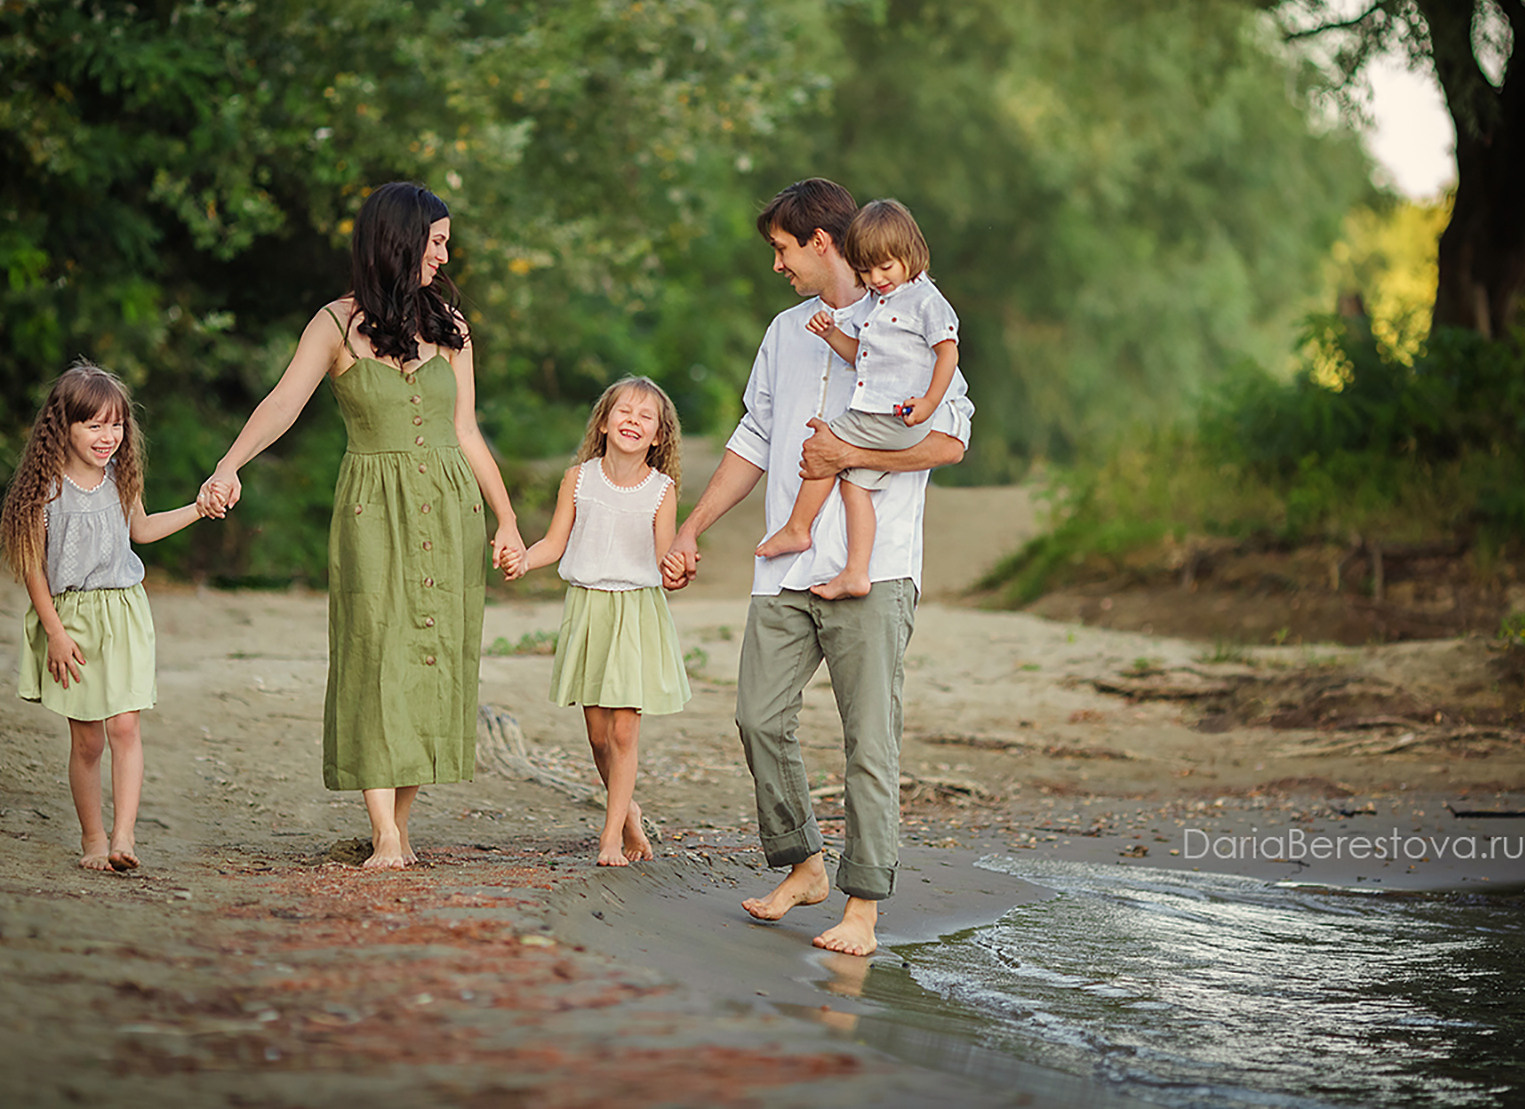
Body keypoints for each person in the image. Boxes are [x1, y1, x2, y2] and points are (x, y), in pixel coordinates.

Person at [663, 178, 973, 956]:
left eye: (782, 248)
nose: (778, 265)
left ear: (822, 242)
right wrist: (692, 529)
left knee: (870, 741)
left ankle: (862, 909)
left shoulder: (913, 318)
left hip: (876, 572)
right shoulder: (786, 332)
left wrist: (854, 453)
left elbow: (951, 440)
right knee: (757, 716)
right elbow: (753, 439)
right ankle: (803, 863)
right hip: (787, 572)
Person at [196, 182, 525, 869]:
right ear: (400, 239)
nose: (444, 253)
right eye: (435, 239)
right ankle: (383, 834)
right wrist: (230, 464)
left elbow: (465, 430)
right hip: (373, 508)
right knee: (374, 652)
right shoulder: (334, 324)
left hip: (449, 504)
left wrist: (507, 518)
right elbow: (284, 402)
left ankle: (399, 828)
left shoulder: (451, 327)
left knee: (429, 656)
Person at [0, 361, 205, 872]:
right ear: (62, 427)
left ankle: (124, 838)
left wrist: (199, 508)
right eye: (93, 424)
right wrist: (56, 633)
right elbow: (32, 568)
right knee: (88, 739)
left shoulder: (121, 478)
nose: (108, 436)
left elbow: (143, 530)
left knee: (126, 728)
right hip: (71, 619)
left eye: (116, 424)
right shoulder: (43, 489)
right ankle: (93, 837)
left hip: (125, 611)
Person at [513, 376, 691, 867]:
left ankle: (610, 836)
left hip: (636, 611)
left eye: (645, 416)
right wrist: (524, 560)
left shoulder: (662, 490)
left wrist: (676, 572)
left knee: (624, 733)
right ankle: (629, 813)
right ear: (605, 422)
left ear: (658, 435)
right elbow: (553, 543)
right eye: (624, 412)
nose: (633, 421)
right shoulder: (579, 479)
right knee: (596, 735)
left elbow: (664, 558)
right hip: (589, 608)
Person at [753, 199, 959, 601]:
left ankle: (797, 527)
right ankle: (857, 571)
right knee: (854, 486)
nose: (876, 278)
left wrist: (930, 404)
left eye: (885, 267)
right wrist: (832, 335)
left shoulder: (926, 302)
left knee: (822, 445)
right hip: (887, 415)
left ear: (912, 255)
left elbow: (948, 352)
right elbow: (862, 357)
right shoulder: (883, 305)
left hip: (893, 416)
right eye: (866, 270)